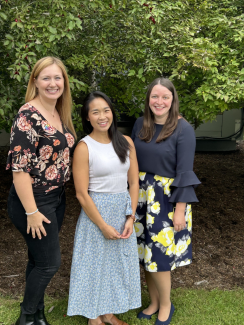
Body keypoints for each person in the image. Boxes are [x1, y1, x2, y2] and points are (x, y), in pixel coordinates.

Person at [6, 56, 76, 325]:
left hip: (56, 198)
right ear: (35, 81)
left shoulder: (59, 111)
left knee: (38, 259)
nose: (53, 83)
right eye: (46, 78)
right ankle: (26, 318)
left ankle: (37, 315)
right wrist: (32, 212)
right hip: (33, 202)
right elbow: (19, 170)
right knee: (49, 263)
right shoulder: (27, 116)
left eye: (57, 78)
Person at [67, 91, 141, 325]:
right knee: (93, 265)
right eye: (95, 112)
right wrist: (102, 225)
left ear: (112, 113)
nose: (102, 116)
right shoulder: (83, 147)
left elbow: (134, 182)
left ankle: (108, 314)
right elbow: (81, 193)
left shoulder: (125, 142)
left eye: (106, 110)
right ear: (87, 117)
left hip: (122, 210)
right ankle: (93, 318)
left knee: (115, 265)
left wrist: (131, 216)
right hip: (95, 212)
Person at [131, 78, 200, 325]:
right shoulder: (140, 124)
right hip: (140, 197)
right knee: (145, 253)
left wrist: (180, 210)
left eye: (165, 97)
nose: (159, 102)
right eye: (154, 97)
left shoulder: (184, 129)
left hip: (166, 201)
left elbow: (184, 173)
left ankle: (166, 306)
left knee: (159, 256)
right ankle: (154, 302)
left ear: (173, 100)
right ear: (148, 99)